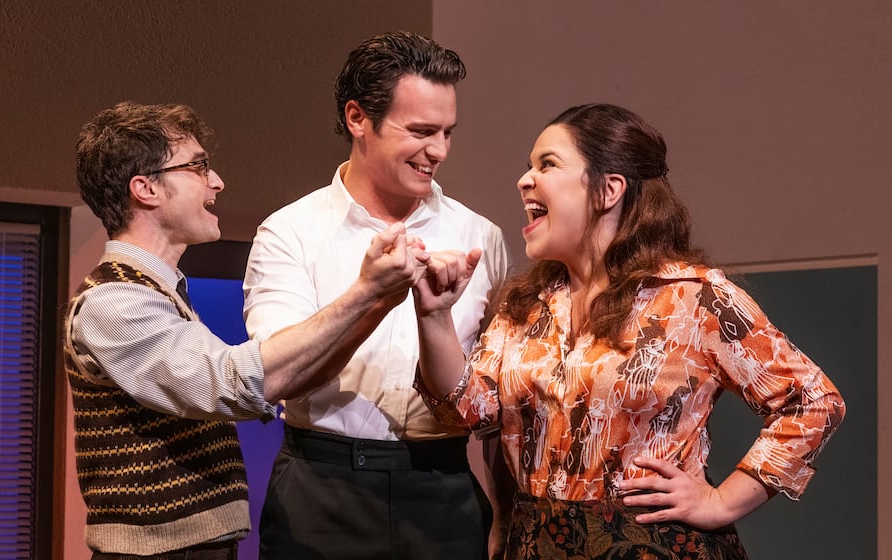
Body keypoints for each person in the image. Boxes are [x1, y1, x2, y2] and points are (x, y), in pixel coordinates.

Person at [412, 103, 846, 559]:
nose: (525, 180)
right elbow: (468, 414)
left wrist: (722, 502)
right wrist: (434, 315)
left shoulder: (691, 296)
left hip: (650, 545)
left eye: (548, 165)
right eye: (528, 166)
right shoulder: (526, 306)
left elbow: (813, 401)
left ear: (609, 189)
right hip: (536, 543)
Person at [65, 101, 429, 559]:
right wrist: (364, 292)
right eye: (197, 167)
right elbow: (232, 383)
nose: (216, 181)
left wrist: (378, 299)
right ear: (145, 188)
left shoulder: (155, 293)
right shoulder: (113, 302)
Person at [242, 31, 510, 559]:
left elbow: (499, 398)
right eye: (420, 131)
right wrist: (370, 294)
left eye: (447, 132)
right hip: (322, 487)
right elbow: (273, 375)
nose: (439, 151)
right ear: (357, 119)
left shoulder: (482, 237)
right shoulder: (291, 230)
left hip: (446, 487)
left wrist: (506, 512)